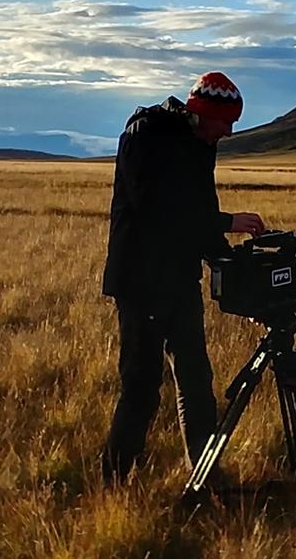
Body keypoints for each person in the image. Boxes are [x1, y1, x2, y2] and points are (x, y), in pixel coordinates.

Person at [99, 71, 266, 484]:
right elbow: (155, 208)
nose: (228, 133)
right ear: (201, 113)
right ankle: (114, 478)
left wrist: (227, 260)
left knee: (196, 381)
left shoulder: (199, 144)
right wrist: (226, 222)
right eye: (225, 123)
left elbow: (198, 207)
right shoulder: (146, 134)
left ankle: (205, 473)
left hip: (179, 279)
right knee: (141, 385)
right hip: (140, 281)